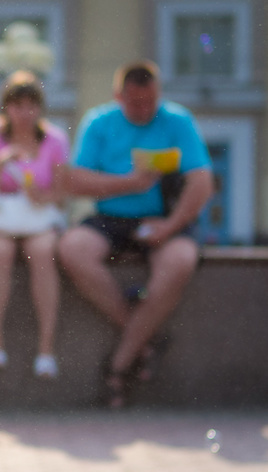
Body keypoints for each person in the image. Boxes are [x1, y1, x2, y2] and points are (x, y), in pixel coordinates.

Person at [58, 59, 214, 408]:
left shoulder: (178, 120)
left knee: (180, 261)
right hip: (112, 217)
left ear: (159, 95)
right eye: (135, 102)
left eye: (150, 102)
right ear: (119, 96)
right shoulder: (99, 122)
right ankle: (146, 341)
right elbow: (76, 181)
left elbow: (201, 182)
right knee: (72, 249)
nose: (144, 109)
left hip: (165, 217)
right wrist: (130, 183)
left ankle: (118, 366)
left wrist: (170, 226)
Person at [0, 70, 69, 378]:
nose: (24, 113)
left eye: (30, 105)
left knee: (42, 252)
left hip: (37, 220)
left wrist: (42, 195)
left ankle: (46, 350)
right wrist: (2, 159)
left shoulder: (55, 139)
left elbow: (62, 194)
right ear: (6, 108)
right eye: (16, 105)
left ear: (40, 108)